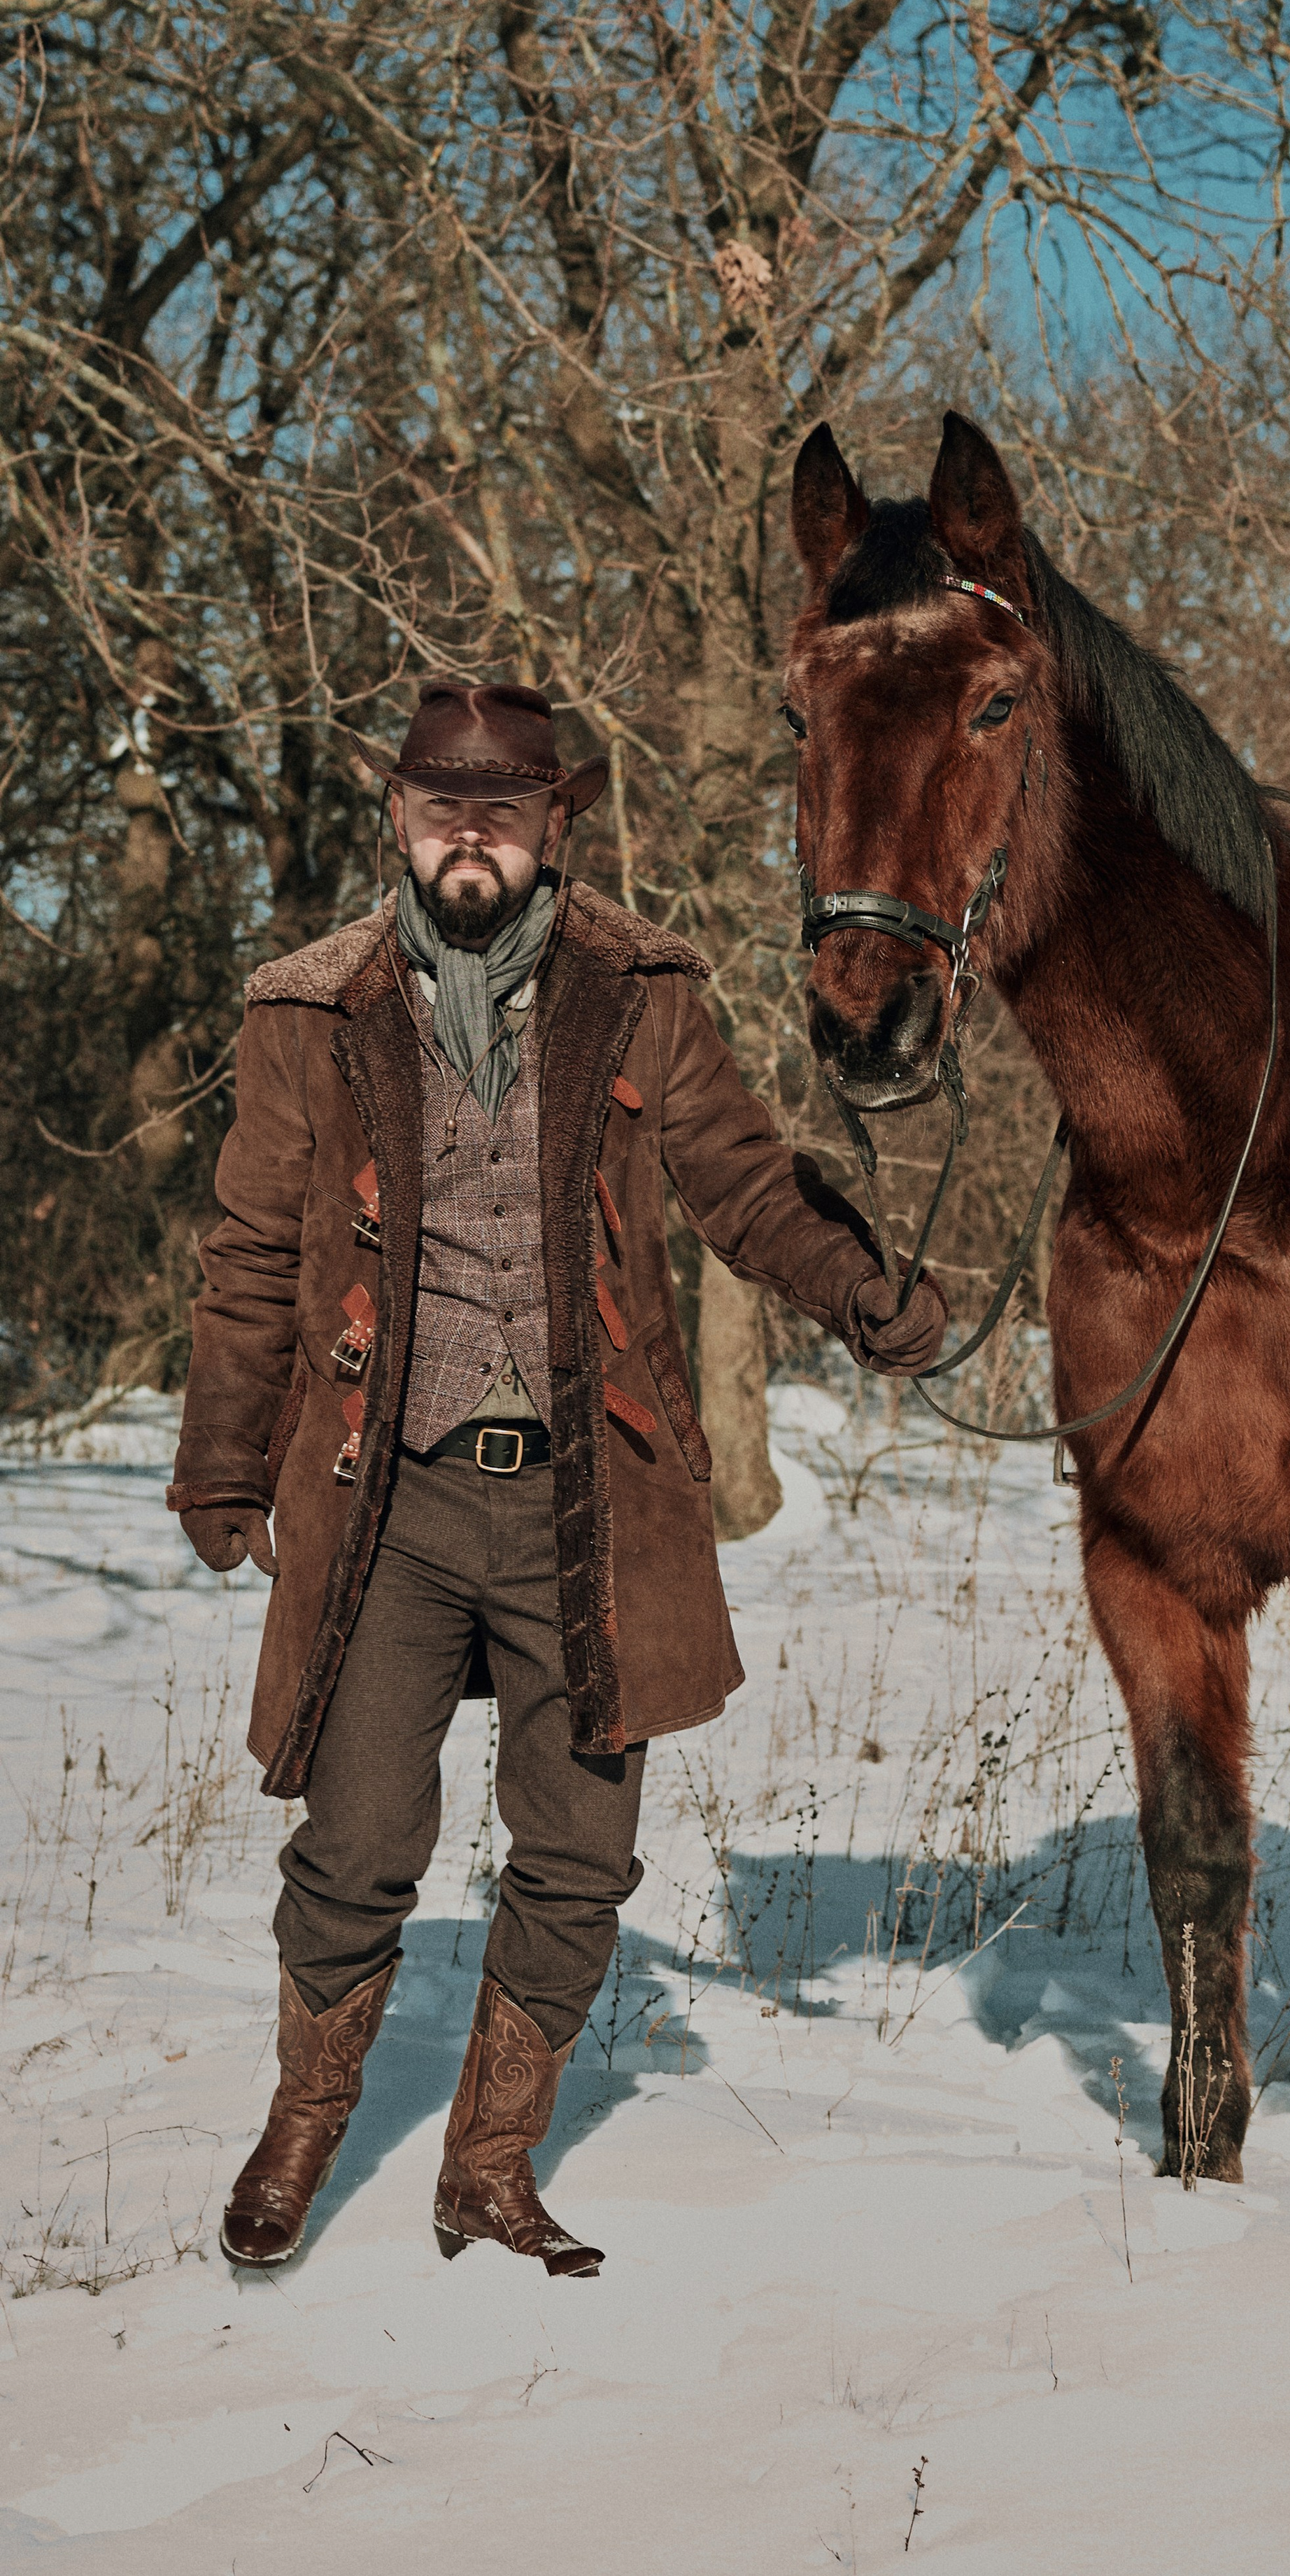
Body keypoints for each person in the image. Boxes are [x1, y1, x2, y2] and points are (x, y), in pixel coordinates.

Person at [169, 678, 944, 2277]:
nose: (471, 838)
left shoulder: (638, 984)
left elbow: (739, 1179)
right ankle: (303, 2123)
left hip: (595, 1497)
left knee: (581, 1847)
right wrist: (219, 1462)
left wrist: (858, 1287)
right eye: (442, 810)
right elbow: (250, 1253)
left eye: (502, 813)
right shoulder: (306, 1008)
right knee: (357, 1832)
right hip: (379, 1489)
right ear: (399, 819)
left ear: (552, 827)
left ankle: (488, 2166)